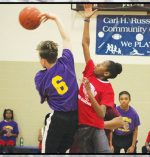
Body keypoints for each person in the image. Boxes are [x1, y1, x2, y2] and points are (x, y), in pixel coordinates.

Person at [70, 4, 122, 153]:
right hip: (82, 126)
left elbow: (101, 114)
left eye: (101, 64)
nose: (97, 63)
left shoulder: (108, 89)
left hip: (97, 127)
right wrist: (86, 20)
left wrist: (89, 92)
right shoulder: (90, 70)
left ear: (106, 73)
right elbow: (84, 44)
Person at [34, 13, 79, 153]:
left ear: (42, 60)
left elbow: (45, 97)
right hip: (75, 118)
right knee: (63, 152)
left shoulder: (40, 77)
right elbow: (66, 38)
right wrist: (56, 18)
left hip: (58, 118)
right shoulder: (67, 61)